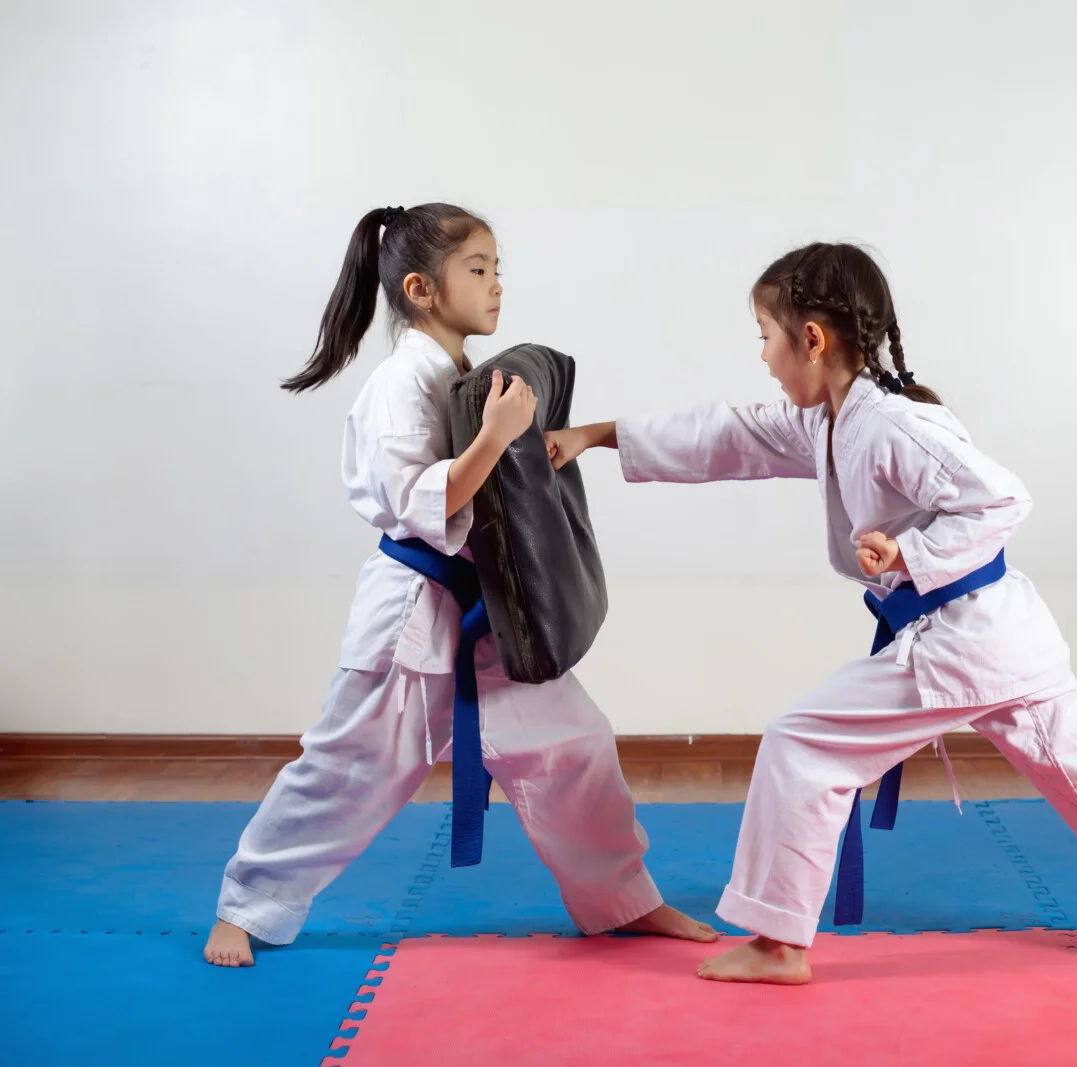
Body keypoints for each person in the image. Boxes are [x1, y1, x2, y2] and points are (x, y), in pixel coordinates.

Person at [545, 241, 1077, 984]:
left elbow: (1002, 497)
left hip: (962, 638)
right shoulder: (831, 420)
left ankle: (779, 943)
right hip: (1004, 636)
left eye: (766, 338)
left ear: (811, 339)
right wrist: (596, 435)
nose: (764, 357)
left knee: (803, 744)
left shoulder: (892, 423)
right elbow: (731, 434)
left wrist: (911, 557)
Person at [204, 204, 715, 967]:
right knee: (346, 770)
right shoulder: (396, 383)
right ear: (420, 288)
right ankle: (244, 907)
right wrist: (494, 438)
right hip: (412, 619)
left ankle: (622, 900)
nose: (496, 284)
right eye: (477, 269)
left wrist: (520, 442)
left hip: (491, 614)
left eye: (498, 267)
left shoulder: (466, 377)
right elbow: (424, 500)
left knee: (576, 746)